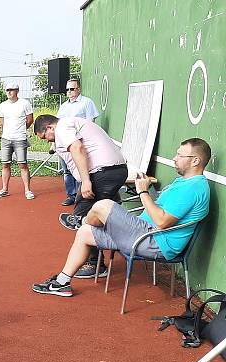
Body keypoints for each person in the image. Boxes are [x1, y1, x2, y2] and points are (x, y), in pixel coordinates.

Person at [32, 138, 211, 297]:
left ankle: (81, 220)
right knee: (85, 233)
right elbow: (159, 210)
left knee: (104, 205)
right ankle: (62, 283)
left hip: (156, 241)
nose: (174, 158)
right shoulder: (183, 182)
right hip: (144, 233)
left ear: (195, 160)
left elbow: (162, 222)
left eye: (180, 155)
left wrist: (143, 191)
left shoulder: (194, 188)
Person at [34, 114, 128, 277]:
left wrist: (85, 181)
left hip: (103, 173)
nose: (48, 140)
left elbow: (77, 148)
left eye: (46, 137)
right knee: (96, 215)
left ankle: (95, 264)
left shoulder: (62, 127)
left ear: (50, 127)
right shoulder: (73, 123)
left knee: (81, 217)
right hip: (113, 171)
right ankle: (108, 251)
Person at [57, 79, 100, 206]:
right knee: (67, 170)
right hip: (66, 143)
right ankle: (71, 195)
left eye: (72, 89)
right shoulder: (64, 106)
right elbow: (59, 124)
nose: (69, 92)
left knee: (82, 170)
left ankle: (82, 197)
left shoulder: (87, 102)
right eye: (67, 89)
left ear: (78, 89)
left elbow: (90, 123)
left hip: (81, 143)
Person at [0, 82, 35, 200]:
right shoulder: (3, 105)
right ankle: (4, 189)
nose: (9, 92)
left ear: (17, 91)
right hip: (6, 139)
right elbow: (1, 120)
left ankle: (27, 190)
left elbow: (30, 119)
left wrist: (22, 129)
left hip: (20, 138)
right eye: (7, 90)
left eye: (11, 90)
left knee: (22, 164)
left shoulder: (25, 103)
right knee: (5, 164)